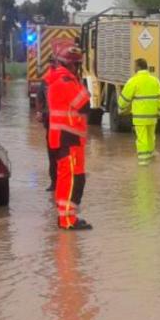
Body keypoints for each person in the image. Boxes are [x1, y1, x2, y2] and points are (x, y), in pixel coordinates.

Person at [48, 47, 92, 230]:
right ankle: (67, 220)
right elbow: (84, 105)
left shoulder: (62, 79)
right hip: (68, 138)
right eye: (78, 65)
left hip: (69, 138)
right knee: (70, 179)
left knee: (74, 178)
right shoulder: (65, 81)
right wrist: (83, 88)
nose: (78, 68)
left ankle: (68, 217)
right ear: (71, 65)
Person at [117, 58, 160, 165]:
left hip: (140, 117)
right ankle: (152, 159)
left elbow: (124, 99)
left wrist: (121, 108)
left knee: (142, 139)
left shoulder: (133, 81)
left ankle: (143, 163)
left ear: (138, 67)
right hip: (153, 116)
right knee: (151, 137)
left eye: (134, 66)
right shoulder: (155, 81)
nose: (133, 68)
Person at [37, 56, 61, 192]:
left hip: (64, 125)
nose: (52, 65)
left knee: (62, 156)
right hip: (50, 123)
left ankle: (63, 182)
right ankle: (54, 182)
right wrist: (39, 113)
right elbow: (39, 99)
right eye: (51, 63)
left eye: (54, 63)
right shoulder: (46, 80)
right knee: (52, 155)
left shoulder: (66, 79)